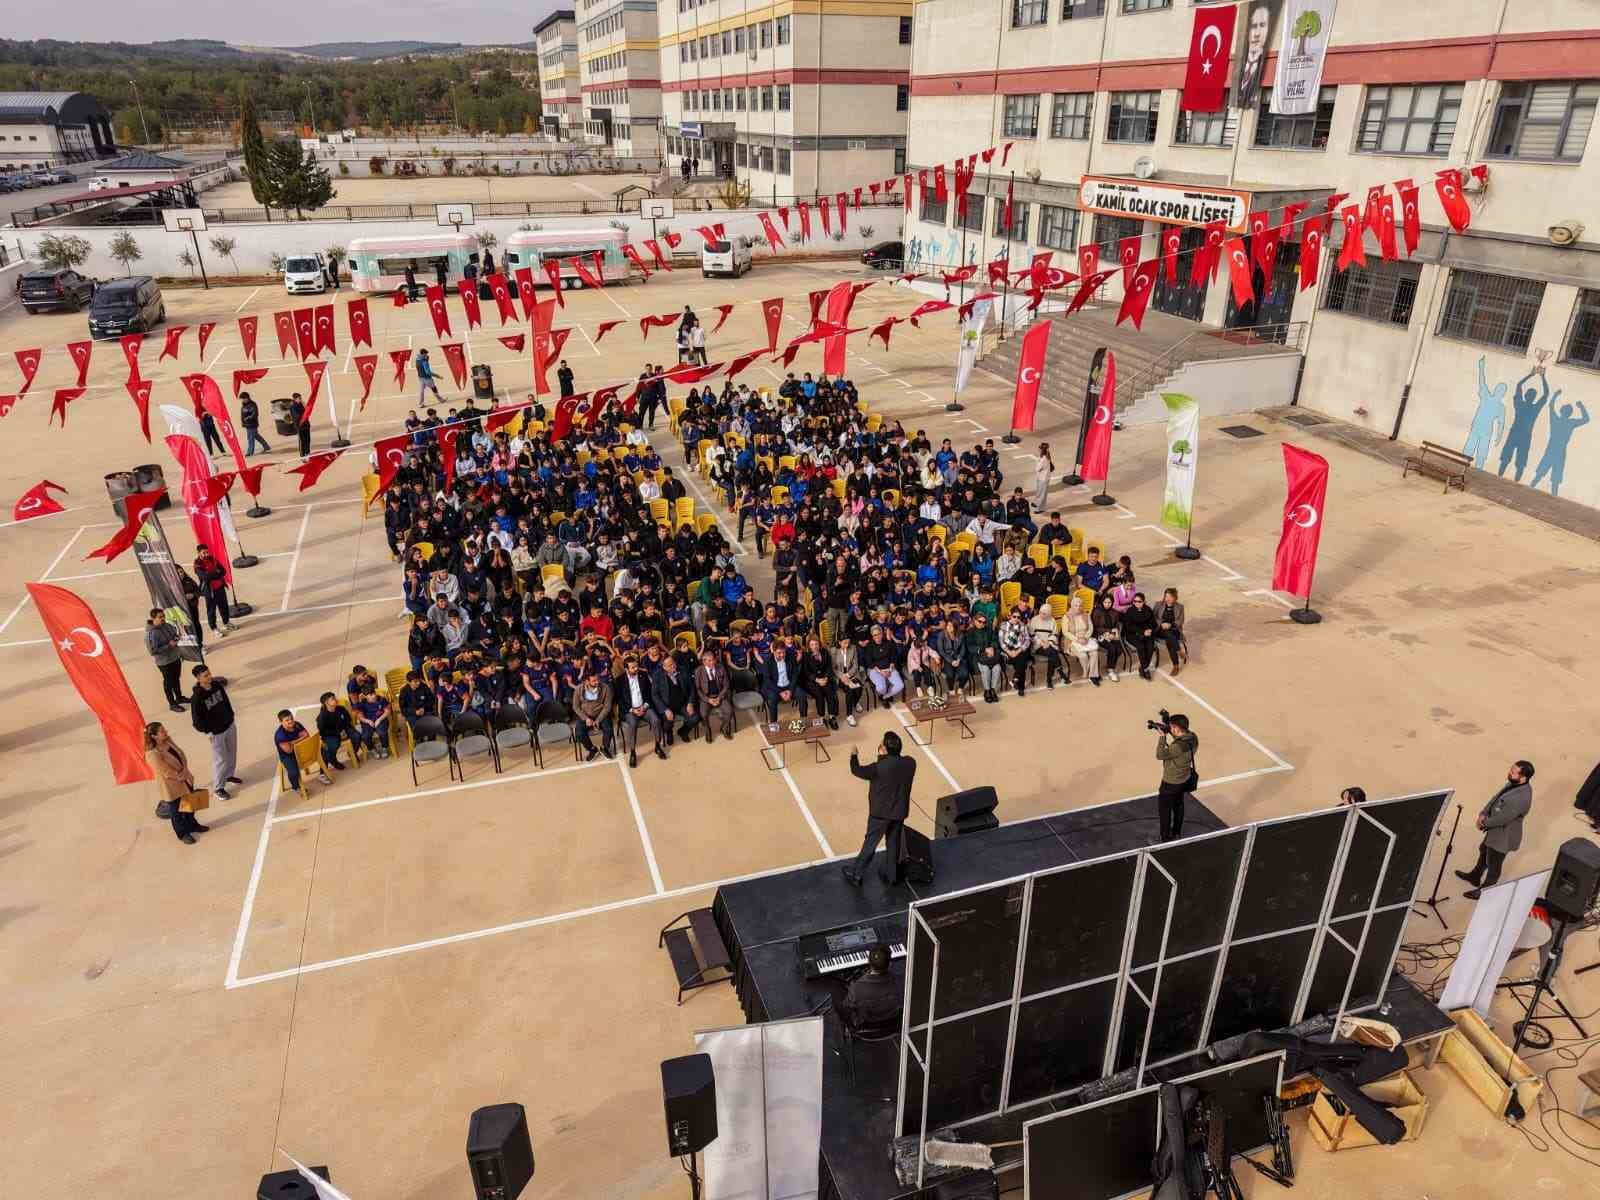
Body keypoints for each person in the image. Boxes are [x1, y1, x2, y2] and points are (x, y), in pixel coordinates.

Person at [842, 730, 917, 888]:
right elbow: (895, 767)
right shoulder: (910, 763)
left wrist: (854, 755)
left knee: (870, 844)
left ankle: (856, 874)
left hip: (880, 814)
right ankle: (892, 876)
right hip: (899, 812)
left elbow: (856, 770)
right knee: (893, 844)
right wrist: (885, 756)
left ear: (884, 749)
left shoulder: (878, 768)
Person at [1456, 761, 1535, 897]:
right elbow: (1496, 799)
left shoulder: (1521, 797)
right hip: (1495, 831)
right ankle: (1475, 876)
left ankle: (1485, 891)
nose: (1509, 773)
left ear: (1523, 777)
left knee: (1494, 863)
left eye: (1513, 772)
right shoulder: (1513, 783)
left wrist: (1484, 823)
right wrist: (1483, 813)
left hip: (1503, 836)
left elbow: (1502, 818)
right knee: (1484, 851)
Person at [146, 721, 209, 843]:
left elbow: (181, 753)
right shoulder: (152, 754)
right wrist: (180, 776)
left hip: (184, 777)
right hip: (171, 785)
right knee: (176, 812)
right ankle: (182, 834)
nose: (165, 732)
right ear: (154, 736)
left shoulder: (168, 740)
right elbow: (164, 771)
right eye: (162, 731)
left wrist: (185, 769)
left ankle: (193, 825)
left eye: (164, 729)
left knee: (190, 804)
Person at [189, 666, 241, 800]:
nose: (209, 677)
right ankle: (218, 788)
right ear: (198, 678)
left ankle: (229, 775)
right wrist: (209, 731)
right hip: (216, 733)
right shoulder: (197, 698)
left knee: (232, 752)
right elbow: (197, 722)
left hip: (229, 725)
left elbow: (226, 701)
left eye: (209, 673)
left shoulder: (217, 686)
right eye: (205, 675)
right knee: (221, 759)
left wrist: (230, 716)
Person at [1155, 713, 1198, 842]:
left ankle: (1165, 838)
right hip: (1184, 779)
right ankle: (1176, 832)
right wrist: (1168, 727)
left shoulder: (1176, 747)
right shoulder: (1193, 738)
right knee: (1178, 805)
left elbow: (1160, 754)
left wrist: (1162, 737)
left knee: (1165, 810)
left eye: (1172, 726)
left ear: (1177, 728)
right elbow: (1179, 737)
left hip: (1170, 782)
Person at [618, 655, 667, 767]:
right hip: (630, 710)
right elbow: (620, 700)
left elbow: (650, 694)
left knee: (656, 720)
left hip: (644, 707)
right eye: (633, 667)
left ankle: (657, 746)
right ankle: (633, 752)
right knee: (632, 724)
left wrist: (644, 706)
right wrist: (632, 710)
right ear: (626, 669)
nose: (636, 669)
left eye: (636, 666)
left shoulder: (643, 676)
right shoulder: (620, 680)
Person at [842, 944, 902, 1030]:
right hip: (892, 1026)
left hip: (866, 1027)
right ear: (890, 964)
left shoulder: (857, 988)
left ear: (868, 962)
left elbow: (846, 1007)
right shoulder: (899, 982)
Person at [275, 709, 333, 792]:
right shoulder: (280, 735)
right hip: (289, 756)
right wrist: (301, 739)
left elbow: (307, 736)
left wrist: (292, 742)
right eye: (287, 720)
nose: (291, 721)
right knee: (294, 772)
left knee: (324, 749)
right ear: (281, 722)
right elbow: (289, 750)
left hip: (302, 749)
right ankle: (296, 787)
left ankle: (322, 773)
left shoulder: (297, 725)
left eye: (291, 718)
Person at [145, 607, 187, 712]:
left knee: (176, 679)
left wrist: (177, 637)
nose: (163, 618)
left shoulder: (167, 625)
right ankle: (172, 704)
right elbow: (153, 651)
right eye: (160, 617)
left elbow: (174, 635)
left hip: (175, 657)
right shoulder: (151, 634)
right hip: (164, 662)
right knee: (168, 683)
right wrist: (169, 645)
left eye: (163, 616)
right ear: (153, 618)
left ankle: (179, 697)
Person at [572, 666, 616, 760]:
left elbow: (607, 706)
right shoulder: (578, 689)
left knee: (609, 729)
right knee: (579, 732)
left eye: (597, 679)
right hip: (585, 716)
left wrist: (598, 720)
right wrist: (586, 718)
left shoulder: (605, 688)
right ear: (586, 681)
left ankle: (605, 748)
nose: (597, 682)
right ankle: (592, 749)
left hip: (601, 714)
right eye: (594, 681)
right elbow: (576, 707)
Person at [193, 545, 234, 636]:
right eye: (204, 553)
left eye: (207, 552)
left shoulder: (212, 559)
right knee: (211, 611)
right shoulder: (197, 564)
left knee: (224, 607)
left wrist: (213, 574)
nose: (206, 554)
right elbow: (205, 577)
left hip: (220, 588)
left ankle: (226, 623)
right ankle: (214, 628)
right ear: (199, 553)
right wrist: (216, 573)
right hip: (209, 591)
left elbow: (223, 571)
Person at [315, 692, 359, 770]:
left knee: (357, 736)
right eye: (333, 699)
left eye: (335, 698)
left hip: (344, 729)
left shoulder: (341, 708)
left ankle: (353, 752)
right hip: (331, 734)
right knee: (333, 746)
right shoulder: (322, 716)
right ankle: (334, 762)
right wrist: (338, 733)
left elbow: (348, 720)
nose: (336, 700)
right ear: (326, 703)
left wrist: (344, 730)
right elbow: (322, 731)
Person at [1153, 588, 1187, 675]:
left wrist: (1170, 625)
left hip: (1174, 630)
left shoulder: (1180, 607)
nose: (1167, 598)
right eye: (1166, 596)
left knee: (1169, 638)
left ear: (1175, 597)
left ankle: (1176, 665)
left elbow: (1180, 621)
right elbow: (1153, 618)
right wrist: (1161, 624)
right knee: (1169, 635)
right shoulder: (1158, 605)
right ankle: (1178, 653)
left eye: (1170, 597)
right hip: (1160, 630)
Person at [239, 391, 269, 455]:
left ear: (247, 398)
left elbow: (255, 414)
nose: (242, 400)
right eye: (242, 399)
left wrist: (248, 418)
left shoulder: (252, 404)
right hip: (247, 425)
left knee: (250, 438)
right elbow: (242, 415)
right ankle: (266, 446)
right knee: (256, 436)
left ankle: (250, 452)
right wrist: (243, 423)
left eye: (243, 398)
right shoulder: (243, 406)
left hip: (252, 424)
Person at [1033, 442, 1054, 511]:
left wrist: (1037, 460)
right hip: (1041, 477)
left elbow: (1037, 468)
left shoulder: (1043, 459)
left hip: (1043, 479)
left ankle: (1040, 508)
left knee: (1042, 494)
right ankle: (1037, 503)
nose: (1038, 449)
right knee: (1039, 492)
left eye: (1039, 448)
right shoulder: (1044, 457)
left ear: (1042, 450)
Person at [290, 391, 311, 457]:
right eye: (299, 398)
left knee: (308, 439)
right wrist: (304, 412)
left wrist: (305, 406)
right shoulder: (293, 406)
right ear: (295, 399)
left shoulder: (302, 404)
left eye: (300, 398)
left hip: (306, 425)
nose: (300, 399)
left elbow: (307, 412)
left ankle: (307, 452)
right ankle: (302, 455)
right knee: (302, 441)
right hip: (300, 426)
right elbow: (297, 416)